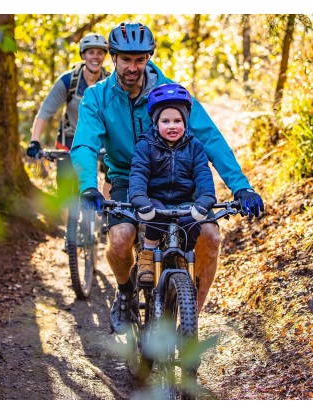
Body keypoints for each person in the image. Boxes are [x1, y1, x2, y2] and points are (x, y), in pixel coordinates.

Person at [70, 22, 264, 335]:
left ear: (148, 57)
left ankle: (190, 317)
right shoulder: (97, 98)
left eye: (140, 60)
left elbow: (210, 138)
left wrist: (242, 186)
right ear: (113, 58)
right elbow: (84, 145)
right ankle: (124, 293)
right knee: (119, 239)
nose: (133, 67)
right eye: (125, 60)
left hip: (179, 178)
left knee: (210, 237)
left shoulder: (172, 93)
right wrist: (89, 186)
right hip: (125, 176)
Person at [129, 83, 217, 282]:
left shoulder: (194, 146)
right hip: (155, 198)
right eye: (165, 121)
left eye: (177, 121)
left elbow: (203, 173)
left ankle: (183, 257)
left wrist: (205, 199)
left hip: (184, 199)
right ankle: (148, 253)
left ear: (185, 122)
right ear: (155, 122)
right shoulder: (145, 145)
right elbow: (138, 173)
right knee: (155, 216)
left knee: (192, 221)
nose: (172, 126)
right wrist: (140, 198)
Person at [26, 33, 111, 209]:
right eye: (90, 52)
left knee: (112, 174)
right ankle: (70, 233)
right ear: (83, 55)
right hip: (69, 138)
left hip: (101, 138)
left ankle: (107, 218)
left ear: (105, 56)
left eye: (100, 53)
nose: (95, 57)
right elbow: (45, 112)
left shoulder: (110, 83)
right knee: (65, 191)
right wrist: (34, 140)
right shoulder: (69, 81)